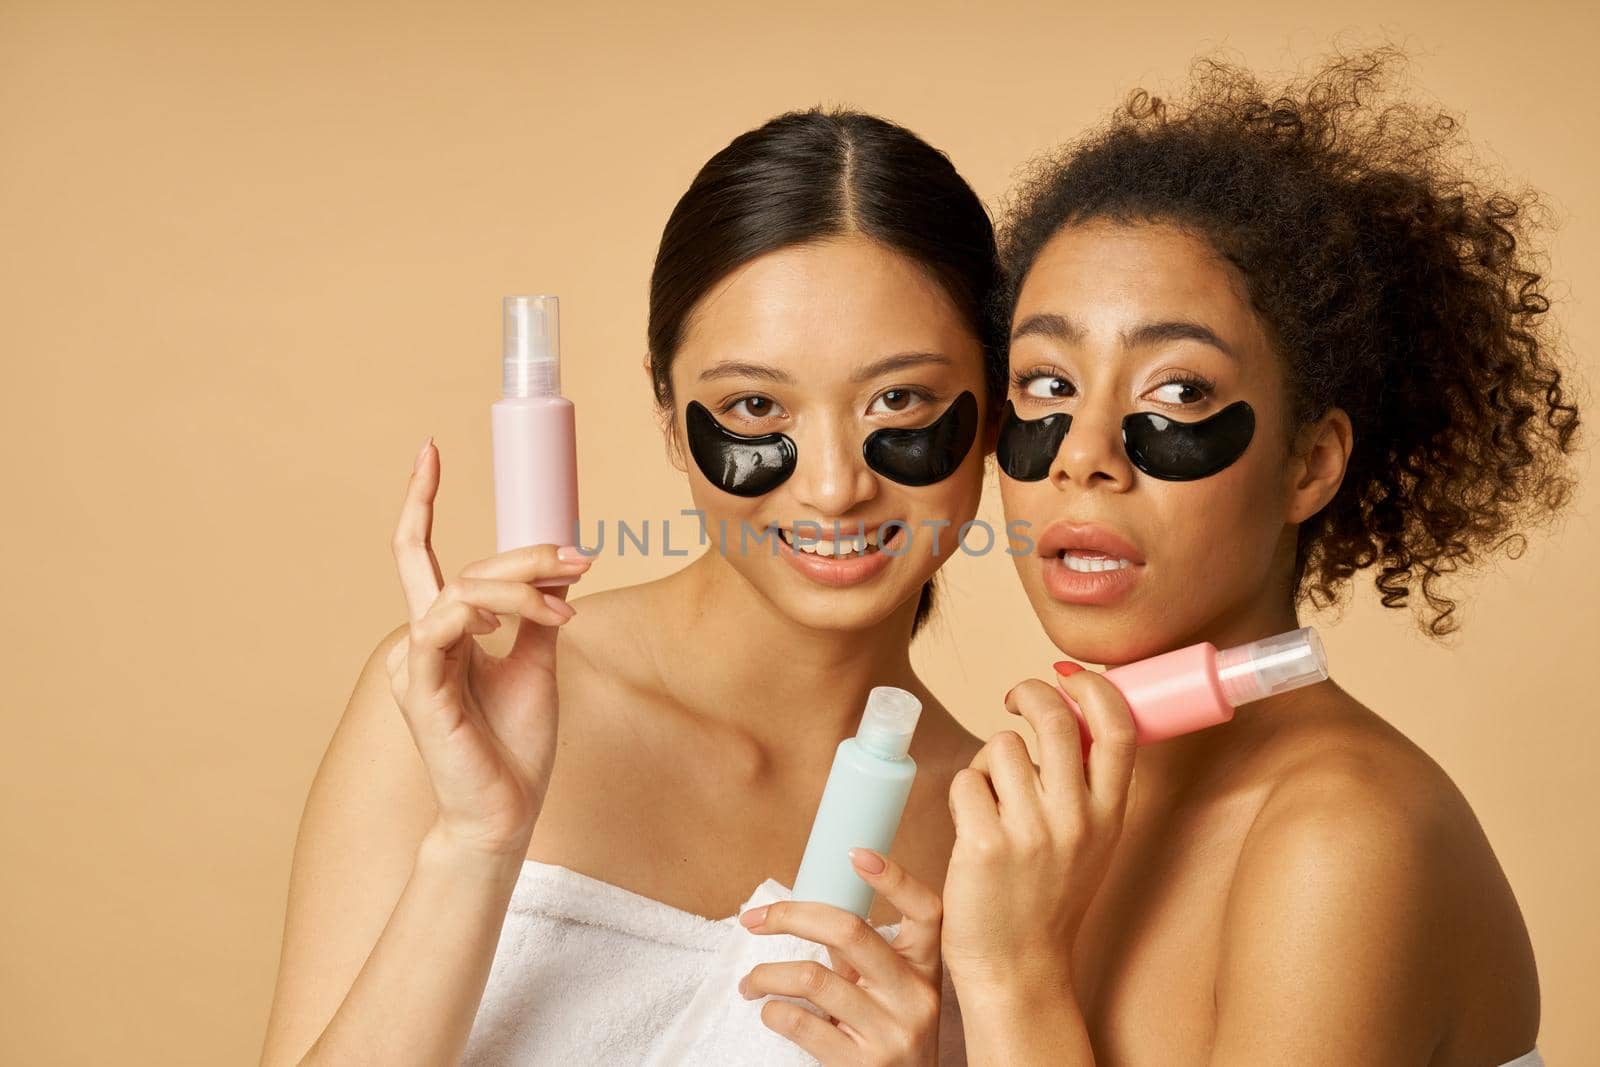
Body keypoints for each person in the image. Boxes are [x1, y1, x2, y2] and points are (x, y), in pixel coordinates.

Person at [259, 108, 1007, 1066]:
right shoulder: (455, 708)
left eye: (898, 399)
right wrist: (478, 842)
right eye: (753, 406)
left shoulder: (996, 842)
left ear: (992, 408)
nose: (832, 484)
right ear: (668, 413)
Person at [937, 49, 1577, 1066]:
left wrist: (1011, 977)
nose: (1085, 456)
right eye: (1045, 385)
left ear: (1309, 464)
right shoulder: (1052, 831)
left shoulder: (1343, 835)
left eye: (1177, 392)